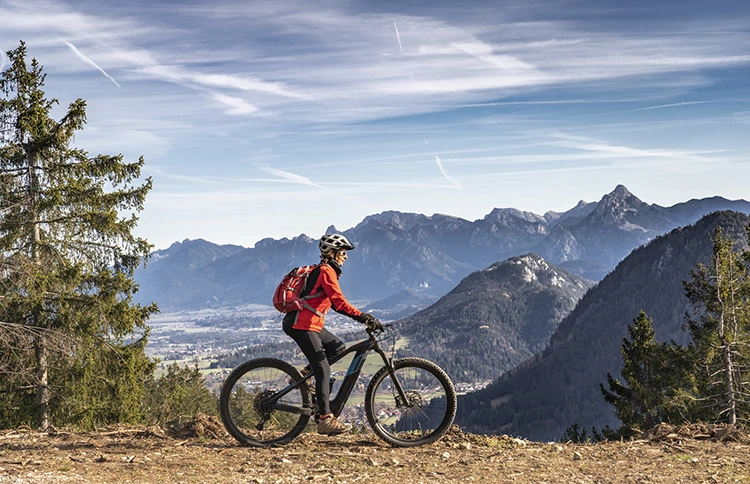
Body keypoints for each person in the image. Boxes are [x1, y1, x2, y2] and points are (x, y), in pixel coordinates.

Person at [282, 233, 382, 435]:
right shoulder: (326, 271)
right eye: (343, 252)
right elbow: (339, 303)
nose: (345, 257)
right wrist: (363, 317)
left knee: (337, 348)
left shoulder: (327, 271)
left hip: (310, 323)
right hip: (302, 324)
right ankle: (325, 419)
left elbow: (333, 304)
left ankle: (302, 377)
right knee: (323, 369)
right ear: (332, 253)